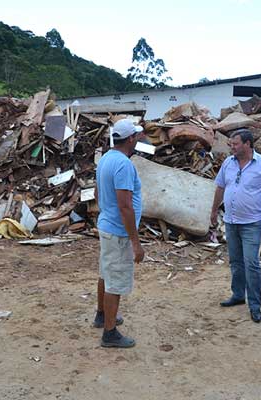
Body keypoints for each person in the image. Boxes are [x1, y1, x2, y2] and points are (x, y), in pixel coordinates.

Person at [210, 129, 261, 323]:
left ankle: (255, 305)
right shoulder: (228, 163)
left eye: (235, 144)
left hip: (251, 223)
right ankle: (238, 295)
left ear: (248, 144)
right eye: (231, 144)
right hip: (231, 221)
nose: (232, 147)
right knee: (236, 262)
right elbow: (220, 187)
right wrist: (214, 210)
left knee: (251, 263)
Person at [93, 118, 145, 348]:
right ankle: (110, 333)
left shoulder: (106, 158)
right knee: (115, 282)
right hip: (117, 231)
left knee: (106, 273)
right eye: (137, 136)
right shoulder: (123, 164)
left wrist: (107, 210)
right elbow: (125, 206)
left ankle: (102, 315)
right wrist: (136, 243)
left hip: (106, 225)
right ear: (131, 138)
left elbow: (96, 193)